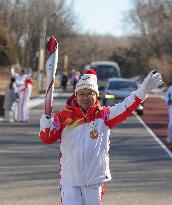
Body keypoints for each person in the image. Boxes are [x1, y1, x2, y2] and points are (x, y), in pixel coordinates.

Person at [39, 70, 162, 205]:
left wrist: (142, 92)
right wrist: (45, 126)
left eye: (89, 93)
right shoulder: (63, 117)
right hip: (70, 180)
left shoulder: (104, 115)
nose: (85, 97)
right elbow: (47, 138)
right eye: (81, 94)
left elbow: (126, 106)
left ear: (96, 95)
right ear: (76, 95)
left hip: (95, 180)